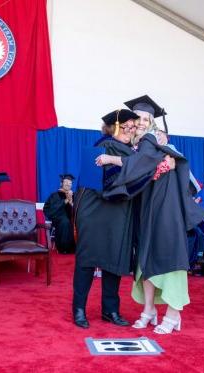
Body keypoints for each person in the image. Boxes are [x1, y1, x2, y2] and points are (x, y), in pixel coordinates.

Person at [98, 98, 204, 334]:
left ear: (152, 124)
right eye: (136, 119)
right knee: (146, 258)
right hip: (149, 207)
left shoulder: (150, 140)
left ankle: (173, 313)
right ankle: (149, 310)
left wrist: (110, 159)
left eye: (146, 119)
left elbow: (140, 164)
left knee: (168, 255)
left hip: (165, 207)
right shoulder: (140, 145)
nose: (140, 123)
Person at [72, 109, 140, 329]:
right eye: (126, 127)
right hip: (95, 212)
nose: (130, 131)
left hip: (118, 213)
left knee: (114, 259)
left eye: (133, 127)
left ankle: (110, 310)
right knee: (87, 260)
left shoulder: (130, 152)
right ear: (114, 127)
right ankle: (79, 308)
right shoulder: (104, 147)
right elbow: (105, 183)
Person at [44, 174, 76, 254]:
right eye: (66, 182)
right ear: (61, 183)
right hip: (59, 219)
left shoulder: (74, 195)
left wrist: (71, 202)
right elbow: (50, 210)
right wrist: (65, 201)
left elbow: (78, 209)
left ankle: (80, 248)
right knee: (65, 221)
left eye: (70, 183)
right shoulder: (54, 195)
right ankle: (64, 248)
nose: (68, 184)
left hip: (72, 219)